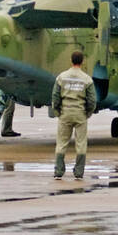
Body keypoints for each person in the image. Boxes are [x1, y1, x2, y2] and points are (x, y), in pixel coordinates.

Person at [51, 51, 96, 180]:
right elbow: (92, 100)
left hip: (65, 113)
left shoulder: (61, 77)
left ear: (71, 61)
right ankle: (79, 172)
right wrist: (87, 113)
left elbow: (55, 97)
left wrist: (57, 112)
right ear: (82, 62)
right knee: (81, 144)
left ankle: (59, 171)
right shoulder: (87, 79)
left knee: (61, 143)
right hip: (80, 114)